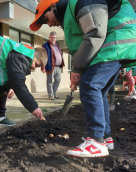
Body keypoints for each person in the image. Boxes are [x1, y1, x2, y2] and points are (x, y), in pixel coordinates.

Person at [30, 0, 136, 157]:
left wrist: (77, 69)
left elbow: (95, 33)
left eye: (46, 19)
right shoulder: (73, 13)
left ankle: (96, 141)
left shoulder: (80, 2)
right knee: (97, 91)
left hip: (118, 38)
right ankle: (105, 138)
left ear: (52, 6)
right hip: (120, 40)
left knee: (90, 85)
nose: (50, 25)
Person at [41, 31, 64, 100]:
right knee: (49, 81)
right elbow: (42, 56)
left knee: (58, 79)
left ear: (56, 38)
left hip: (58, 66)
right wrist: (43, 67)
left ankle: (54, 94)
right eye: (51, 37)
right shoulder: (45, 46)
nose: (53, 39)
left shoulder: (57, 45)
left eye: (54, 38)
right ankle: (51, 95)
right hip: (50, 66)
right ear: (49, 37)